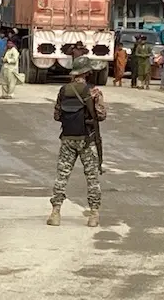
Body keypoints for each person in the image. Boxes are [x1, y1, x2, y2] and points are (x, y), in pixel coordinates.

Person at [47, 57, 106, 228]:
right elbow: (101, 115)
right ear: (87, 73)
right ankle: (93, 215)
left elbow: (57, 115)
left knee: (62, 176)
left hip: (67, 139)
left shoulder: (64, 90)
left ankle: (55, 213)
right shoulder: (93, 91)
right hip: (87, 140)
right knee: (92, 177)